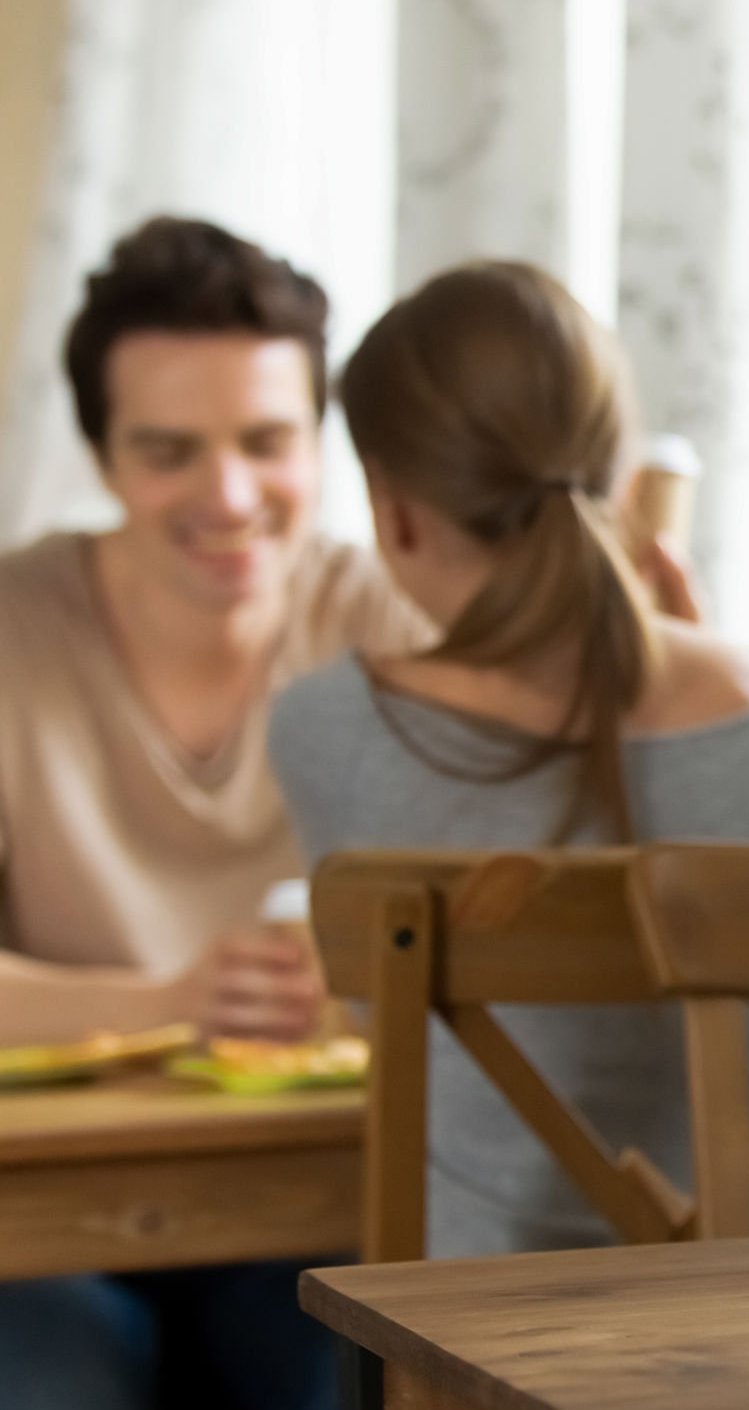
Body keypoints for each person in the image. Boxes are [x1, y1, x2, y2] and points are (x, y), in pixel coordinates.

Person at [268, 261, 749, 1257]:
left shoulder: (330, 729)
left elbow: (408, 1046)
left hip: (475, 1347)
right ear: (628, 481)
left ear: (393, 507)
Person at [0, 216, 430, 1410]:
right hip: (42, 1221)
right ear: (101, 457)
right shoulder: (14, 626)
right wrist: (175, 1002)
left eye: (267, 441)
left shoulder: (391, 616)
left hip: (313, 1197)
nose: (229, 494)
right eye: (170, 450)